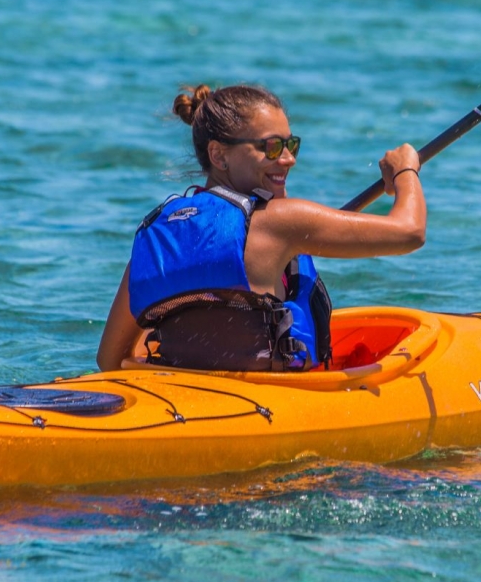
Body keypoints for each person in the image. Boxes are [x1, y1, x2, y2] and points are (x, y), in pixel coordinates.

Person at [96, 83, 426, 372]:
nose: (288, 159)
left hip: (184, 397)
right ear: (219, 155)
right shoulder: (282, 220)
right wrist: (404, 171)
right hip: (271, 403)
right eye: (271, 147)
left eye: (291, 145)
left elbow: (110, 359)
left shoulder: (160, 236)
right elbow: (409, 231)